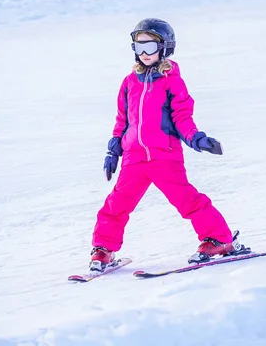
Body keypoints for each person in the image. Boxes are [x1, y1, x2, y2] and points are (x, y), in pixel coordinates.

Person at [89, 18, 247, 272]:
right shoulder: (129, 82)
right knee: (115, 205)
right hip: (134, 158)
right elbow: (123, 121)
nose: (144, 53)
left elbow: (182, 118)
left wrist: (198, 140)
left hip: (165, 156)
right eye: (138, 47)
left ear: (165, 47)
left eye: (150, 47)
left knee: (188, 200)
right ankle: (103, 250)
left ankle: (219, 239)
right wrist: (113, 151)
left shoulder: (172, 82)